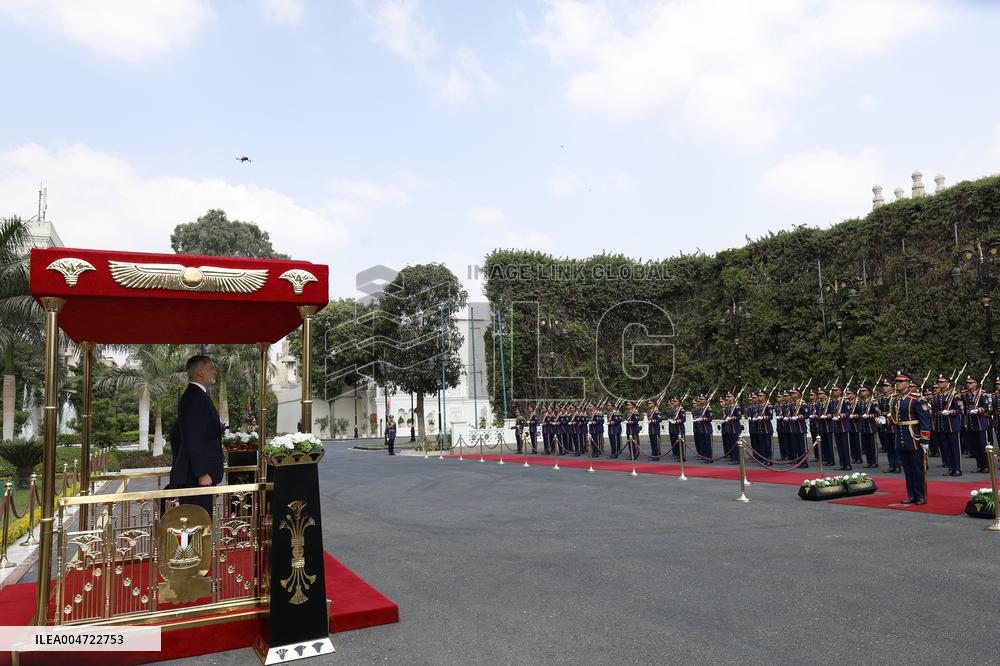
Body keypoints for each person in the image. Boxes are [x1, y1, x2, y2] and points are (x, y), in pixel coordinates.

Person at [169, 355, 225, 515]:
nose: (214, 372)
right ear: (200, 372)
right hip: (197, 479)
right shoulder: (195, 397)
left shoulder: (195, 396)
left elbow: (176, 433)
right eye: (211, 368)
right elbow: (193, 437)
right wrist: (202, 473)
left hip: (195, 476)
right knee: (197, 524)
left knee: (197, 524)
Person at [887, 371, 931, 505]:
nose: (898, 384)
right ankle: (911, 495)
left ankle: (921, 495)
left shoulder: (917, 399)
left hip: (914, 437)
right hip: (901, 436)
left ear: (908, 383)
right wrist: (886, 420)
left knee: (917, 468)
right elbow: (896, 418)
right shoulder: (895, 399)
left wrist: (924, 439)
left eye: (900, 381)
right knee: (907, 468)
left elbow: (925, 420)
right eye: (897, 382)